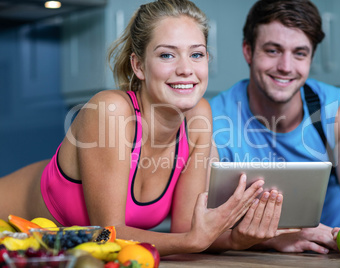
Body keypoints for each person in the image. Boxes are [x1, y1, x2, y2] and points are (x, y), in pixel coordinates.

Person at [0, 0, 285, 256]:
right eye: (167, 55)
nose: (186, 69)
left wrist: (244, 239)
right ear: (138, 65)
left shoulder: (199, 117)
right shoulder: (111, 111)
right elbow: (106, 234)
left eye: (196, 55)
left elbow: (189, 228)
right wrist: (191, 243)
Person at [209, 0, 340, 257]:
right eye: (273, 51)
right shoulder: (211, 119)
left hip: (331, 256)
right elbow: (194, 226)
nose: (286, 66)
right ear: (248, 51)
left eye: (299, 53)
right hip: (248, 258)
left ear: (311, 57)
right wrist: (276, 238)